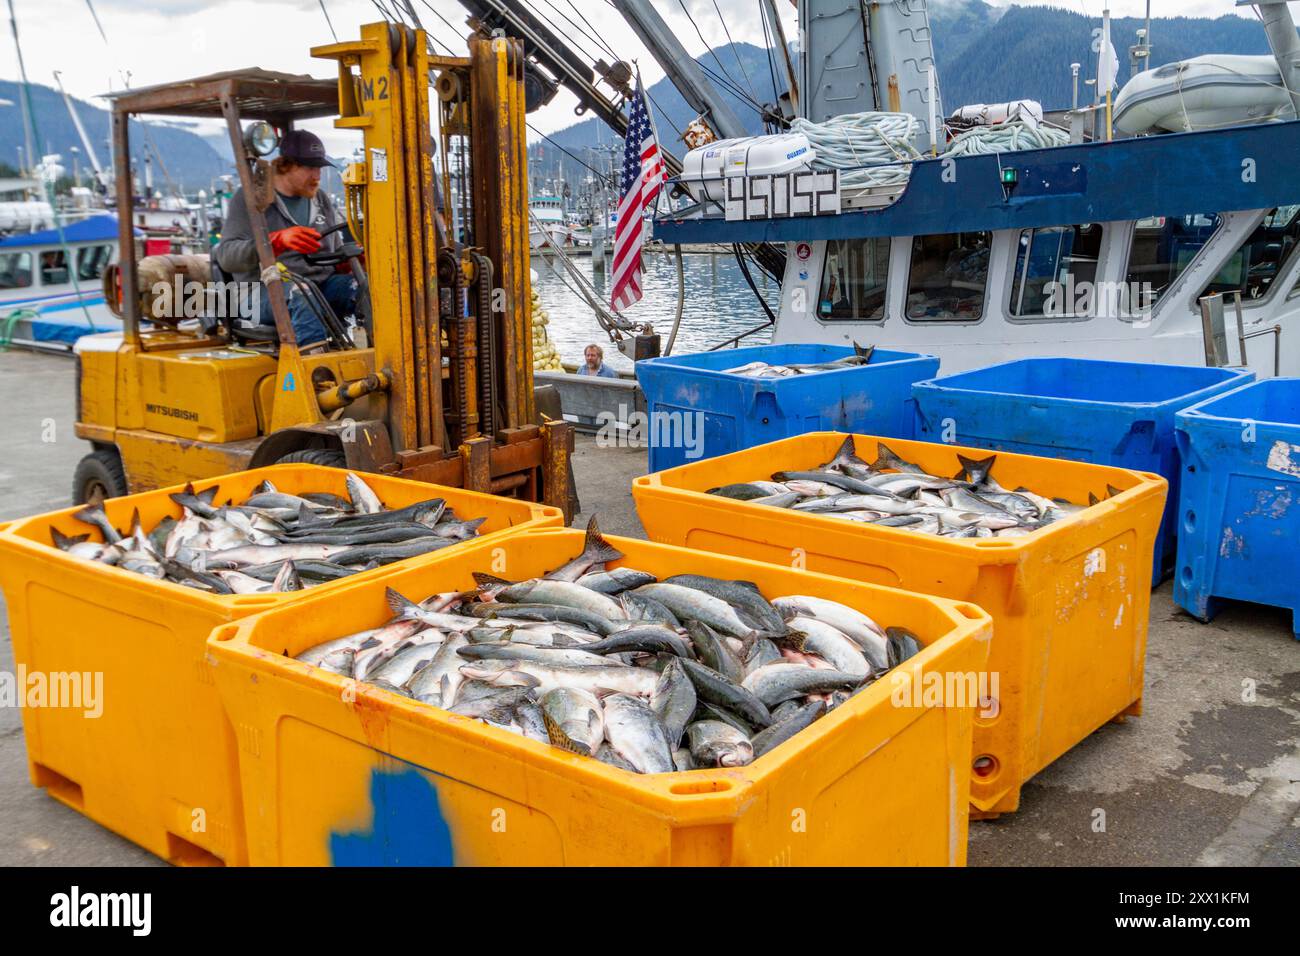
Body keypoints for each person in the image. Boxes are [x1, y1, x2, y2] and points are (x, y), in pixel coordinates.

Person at [215, 129, 356, 349]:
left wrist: (352, 261)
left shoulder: (320, 199)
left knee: (362, 287)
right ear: (287, 165)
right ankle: (317, 374)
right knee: (302, 293)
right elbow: (227, 257)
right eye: (310, 168)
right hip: (259, 291)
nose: (317, 176)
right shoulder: (250, 199)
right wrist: (275, 242)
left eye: (319, 168)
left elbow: (334, 255)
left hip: (318, 285)